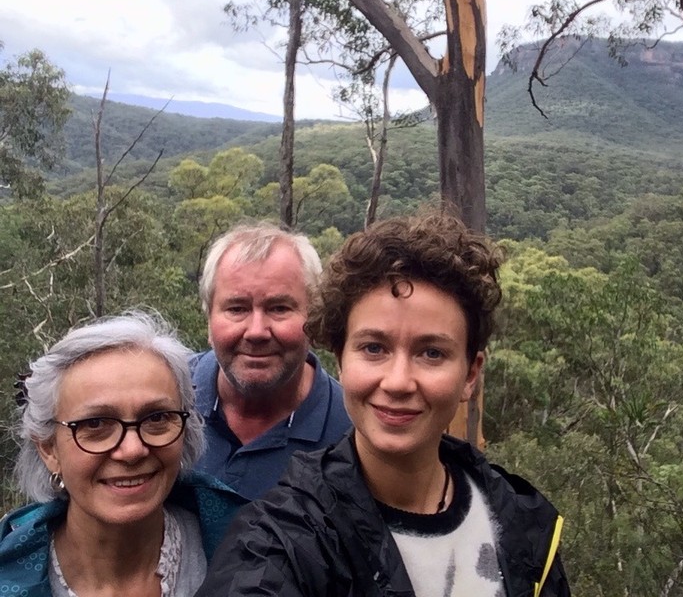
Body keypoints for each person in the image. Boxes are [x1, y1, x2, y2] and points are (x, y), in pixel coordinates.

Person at [198, 211, 570, 597]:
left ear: (471, 375)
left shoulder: (524, 526)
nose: (397, 382)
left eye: (431, 353)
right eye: (374, 348)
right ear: (340, 360)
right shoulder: (283, 536)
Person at [0, 311, 247, 596]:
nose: (132, 451)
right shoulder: (11, 576)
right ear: (48, 447)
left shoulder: (249, 548)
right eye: (95, 424)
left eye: (156, 418)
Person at [191, 222, 352, 499]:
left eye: (279, 308)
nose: (256, 332)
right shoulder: (162, 403)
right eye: (237, 308)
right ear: (209, 322)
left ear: (313, 319)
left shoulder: (353, 435)